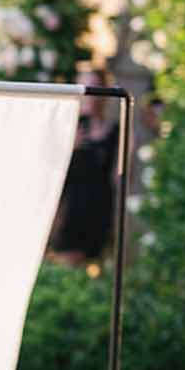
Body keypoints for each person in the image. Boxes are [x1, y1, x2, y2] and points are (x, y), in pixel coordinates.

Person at [49, 65, 119, 265]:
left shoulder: (115, 131)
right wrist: (66, 147)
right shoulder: (70, 127)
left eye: (96, 88)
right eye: (86, 88)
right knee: (67, 262)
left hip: (99, 210)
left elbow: (119, 178)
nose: (91, 95)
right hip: (70, 209)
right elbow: (50, 170)